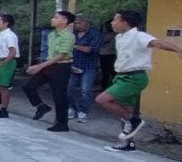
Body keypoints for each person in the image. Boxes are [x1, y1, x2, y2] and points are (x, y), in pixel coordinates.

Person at [97, 10, 182, 152]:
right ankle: (128, 143)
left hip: (134, 78)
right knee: (125, 111)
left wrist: (177, 49)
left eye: (115, 20)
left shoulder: (139, 36)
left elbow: (157, 43)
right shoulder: (120, 37)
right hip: (122, 76)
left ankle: (134, 121)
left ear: (124, 22)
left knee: (102, 100)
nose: (112, 23)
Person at [23, 11, 76, 132]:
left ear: (64, 21)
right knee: (28, 86)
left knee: (59, 95)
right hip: (49, 64)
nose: (53, 19)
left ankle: (62, 123)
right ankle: (41, 106)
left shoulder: (68, 36)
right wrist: (40, 65)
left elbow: (62, 55)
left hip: (61, 66)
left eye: (56, 18)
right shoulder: (51, 34)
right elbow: (51, 54)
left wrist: (40, 66)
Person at [67, 14, 101, 123]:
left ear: (87, 23)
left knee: (85, 90)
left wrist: (74, 46)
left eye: (80, 23)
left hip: (89, 66)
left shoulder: (95, 34)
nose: (77, 25)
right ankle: (71, 108)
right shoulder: (73, 34)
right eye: (76, 23)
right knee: (68, 88)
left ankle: (83, 111)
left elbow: (92, 50)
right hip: (73, 65)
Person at [99, 19, 117, 89]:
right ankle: (104, 86)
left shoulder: (116, 34)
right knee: (105, 71)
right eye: (107, 26)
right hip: (104, 54)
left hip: (111, 54)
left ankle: (111, 86)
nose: (108, 27)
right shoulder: (106, 34)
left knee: (111, 71)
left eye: (110, 25)